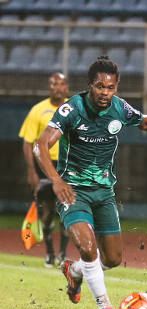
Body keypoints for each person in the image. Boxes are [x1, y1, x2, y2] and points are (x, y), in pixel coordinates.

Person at [34, 56, 147, 309]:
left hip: (104, 193)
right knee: (88, 247)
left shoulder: (118, 109)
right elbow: (40, 145)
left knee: (112, 258)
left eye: (111, 88)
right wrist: (57, 181)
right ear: (90, 84)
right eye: (100, 87)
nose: (105, 93)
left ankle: (75, 271)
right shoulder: (73, 109)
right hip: (73, 191)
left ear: (116, 87)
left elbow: (144, 121)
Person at [18, 72, 70, 267]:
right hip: (44, 166)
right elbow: (27, 142)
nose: (58, 87)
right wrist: (31, 171)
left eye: (61, 84)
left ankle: (63, 253)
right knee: (47, 212)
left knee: (67, 211)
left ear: (66, 87)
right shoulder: (37, 110)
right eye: (54, 84)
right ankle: (49, 253)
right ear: (49, 87)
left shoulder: (72, 108)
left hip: (67, 165)